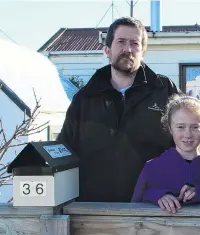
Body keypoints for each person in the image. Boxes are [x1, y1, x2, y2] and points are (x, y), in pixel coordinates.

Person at [58, 17, 179, 202]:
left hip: (155, 207)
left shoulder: (165, 91)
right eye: (121, 42)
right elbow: (64, 151)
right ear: (107, 50)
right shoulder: (85, 98)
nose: (128, 49)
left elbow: (190, 139)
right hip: (93, 212)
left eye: (135, 43)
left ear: (143, 51)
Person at [131, 95, 200, 213]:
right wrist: (157, 196)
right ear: (170, 129)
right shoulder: (153, 167)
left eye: (195, 127)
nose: (188, 134)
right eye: (180, 127)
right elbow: (134, 207)